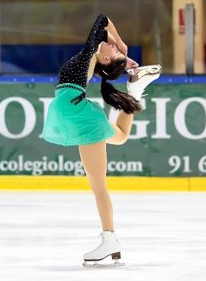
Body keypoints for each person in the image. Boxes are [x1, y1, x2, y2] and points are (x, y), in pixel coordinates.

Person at [41, 14, 161, 266]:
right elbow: (103, 28)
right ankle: (135, 91)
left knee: (99, 185)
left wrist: (121, 45)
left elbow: (101, 20)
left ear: (105, 58)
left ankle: (110, 239)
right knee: (119, 138)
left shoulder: (90, 54)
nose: (113, 46)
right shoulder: (93, 56)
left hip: (77, 113)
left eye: (114, 50)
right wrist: (122, 51)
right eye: (114, 47)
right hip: (76, 112)